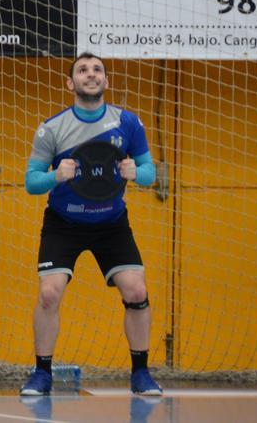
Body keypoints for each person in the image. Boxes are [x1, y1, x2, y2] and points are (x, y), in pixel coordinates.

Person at [20, 53, 162, 397]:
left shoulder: (128, 123)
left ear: (106, 81)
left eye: (97, 69)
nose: (91, 74)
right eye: (83, 70)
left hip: (111, 223)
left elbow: (150, 172)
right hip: (63, 223)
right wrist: (56, 175)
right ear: (70, 83)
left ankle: (141, 373)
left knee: (137, 291)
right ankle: (42, 373)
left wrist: (137, 174)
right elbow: (31, 181)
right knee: (49, 293)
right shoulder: (52, 128)